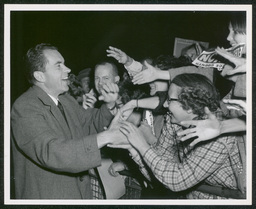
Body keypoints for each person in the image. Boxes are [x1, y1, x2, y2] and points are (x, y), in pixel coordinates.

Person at [11, 43, 127, 199]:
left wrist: (109, 104)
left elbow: (89, 123)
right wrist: (108, 136)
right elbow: (52, 152)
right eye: (59, 66)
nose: (68, 69)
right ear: (40, 76)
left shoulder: (66, 100)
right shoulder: (25, 107)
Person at [113, 73, 244, 199]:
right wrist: (134, 149)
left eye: (169, 100)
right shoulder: (174, 121)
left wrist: (142, 146)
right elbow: (159, 172)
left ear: (189, 107)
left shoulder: (217, 135)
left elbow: (176, 180)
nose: (164, 105)